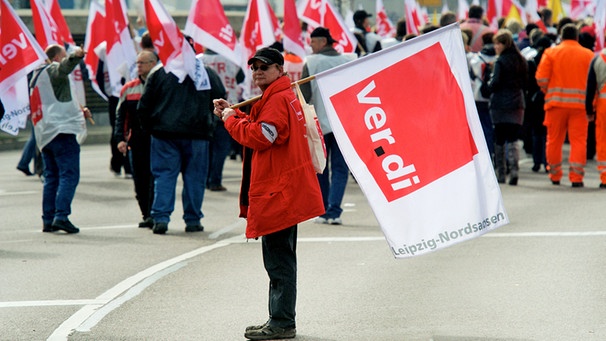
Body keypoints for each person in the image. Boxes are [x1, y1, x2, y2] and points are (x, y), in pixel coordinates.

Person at [213, 47, 324, 340]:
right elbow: (260, 127)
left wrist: (228, 120)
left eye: (264, 66)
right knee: (280, 259)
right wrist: (234, 112)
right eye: (254, 67)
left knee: (279, 261)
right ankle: (278, 318)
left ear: (279, 69)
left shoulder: (277, 99)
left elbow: (261, 136)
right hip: (283, 189)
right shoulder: (278, 95)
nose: (258, 71)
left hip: (280, 192)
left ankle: (282, 322)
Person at [138, 39, 225, 235]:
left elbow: (144, 105)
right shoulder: (205, 72)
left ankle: (161, 218)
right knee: (195, 178)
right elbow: (220, 100)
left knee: (164, 176)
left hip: (164, 134)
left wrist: (149, 128)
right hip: (198, 134)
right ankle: (192, 220)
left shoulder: (160, 72)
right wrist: (211, 124)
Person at [30, 44, 91, 233]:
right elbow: (63, 68)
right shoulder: (52, 70)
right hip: (62, 130)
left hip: (46, 132)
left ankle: (48, 219)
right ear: (56, 57)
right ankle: (61, 216)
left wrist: (80, 110)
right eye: (63, 56)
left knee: (52, 177)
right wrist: (76, 56)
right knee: (69, 175)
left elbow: (55, 100)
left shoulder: (36, 76)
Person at [300, 27, 356, 225]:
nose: (310, 45)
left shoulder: (311, 63)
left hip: (319, 124)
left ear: (322, 41)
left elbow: (303, 97)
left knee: (321, 167)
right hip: (343, 124)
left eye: (313, 42)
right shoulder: (349, 61)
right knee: (340, 169)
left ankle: (323, 210)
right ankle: (335, 211)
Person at [536, 24, 594, 187]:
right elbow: (593, 82)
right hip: (580, 106)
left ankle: (555, 175)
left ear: (561, 36)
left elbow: (541, 78)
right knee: (579, 141)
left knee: (554, 141)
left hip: (555, 105)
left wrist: (548, 90)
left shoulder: (551, 53)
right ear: (577, 37)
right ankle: (577, 178)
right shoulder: (588, 55)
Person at [114, 50, 158, 228]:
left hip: (158, 140)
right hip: (137, 142)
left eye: (142, 62)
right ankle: (146, 214)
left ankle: (156, 213)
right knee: (140, 180)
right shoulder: (128, 88)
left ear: (153, 64)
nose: (138, 66)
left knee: (156, 179)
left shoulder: (160, 86)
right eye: (137, 63)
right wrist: (120, 139)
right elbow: (121, 116)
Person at [485, 29, 528, 186]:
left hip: (500, 105)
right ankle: (515, 171)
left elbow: (494, 83)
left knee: (500, 139)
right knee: (513, 138)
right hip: (517, 104)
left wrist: (487, 84)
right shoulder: (521, 60)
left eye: (498, 43)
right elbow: (526, 83)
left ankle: (501, 173)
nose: (495, 46)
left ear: (504, 44)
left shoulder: (500, 62)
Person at [202, 49, 245, 192]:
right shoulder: (231, 60)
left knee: (207, 148)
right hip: (227, 105)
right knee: (221, 148)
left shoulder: (198, 59)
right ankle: (214, 180)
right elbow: (241, 77)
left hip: (204, 108)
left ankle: (206, 179)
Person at [469, 32, 497, 160]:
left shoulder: (475, 59)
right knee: (494, 127)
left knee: (482, 128)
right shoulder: (498, 59)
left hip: (478, 96)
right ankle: (498, 154)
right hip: (495, 96)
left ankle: (486, 155)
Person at [585, 43, 606, 188]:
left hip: (603, 105)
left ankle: (605, 177)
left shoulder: (598, 58)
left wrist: (588, 110)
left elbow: (591, 86)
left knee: (603, 140)